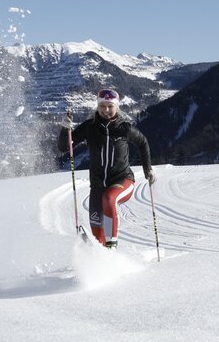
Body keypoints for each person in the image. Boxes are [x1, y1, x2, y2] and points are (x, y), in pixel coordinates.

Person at [59, 88, 155, 248]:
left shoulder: (124, 128)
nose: (106, 110)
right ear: (98, 106)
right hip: (97, 186)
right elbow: (64, 147)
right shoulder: (90, 127)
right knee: (97, 234)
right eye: (103, 106)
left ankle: (112, 245)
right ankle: (103, 257)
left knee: (109, 199)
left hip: (122, 180)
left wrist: (148, 170)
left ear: (117, 107)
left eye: (110, 106)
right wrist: (65, 129)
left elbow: (143, 142)